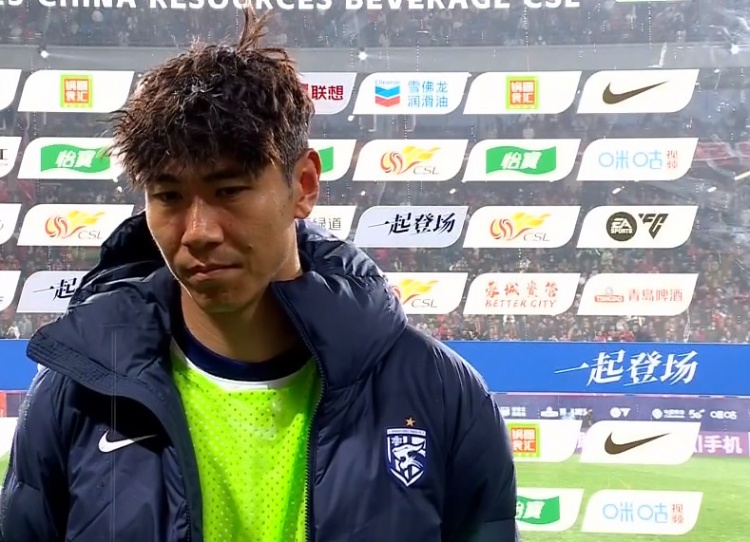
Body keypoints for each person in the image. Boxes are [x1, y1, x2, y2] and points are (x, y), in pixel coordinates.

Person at [0, 9, 519, 542]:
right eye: (168, 196)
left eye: (229, 191)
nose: (198, 231)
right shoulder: (74, 390)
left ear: (304, 185)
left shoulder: (442, 392)